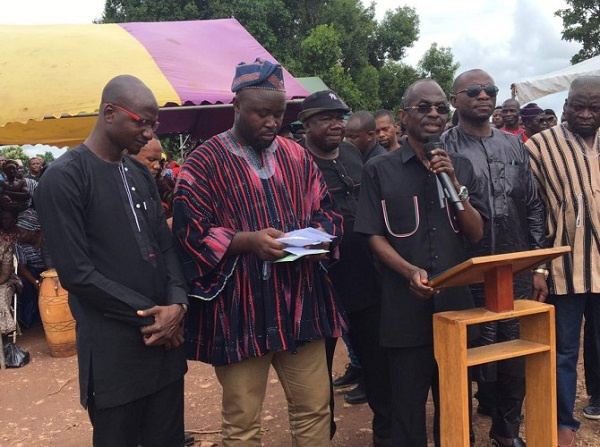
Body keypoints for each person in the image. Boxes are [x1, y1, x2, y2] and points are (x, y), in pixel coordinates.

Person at [172, 58, 345, 447]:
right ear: (236, 108)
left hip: (300, 302)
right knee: (242, 420)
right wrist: (247, 241)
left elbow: (327, 210)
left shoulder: (297, 156)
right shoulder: (204, 162)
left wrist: (318, 238)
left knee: (314, 408)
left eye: (279, 114)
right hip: (240, 309)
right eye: (262, 113)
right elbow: (189, 231)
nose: (272, 122)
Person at [35, 74, 189, 447]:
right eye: (143, 122)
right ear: (108, 113)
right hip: (114, 354)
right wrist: (155, 315)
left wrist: (178, 303)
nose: (151, 134)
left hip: (165, 345)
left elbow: (164, 244)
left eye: (155, 124)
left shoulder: (138, 172)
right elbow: (78, 274)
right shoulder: (63, 179)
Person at [355, 79, 486, 447]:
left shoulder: (459, 166)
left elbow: (475, 234)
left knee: (456, 403)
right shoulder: (379, 170)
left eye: (441, 108)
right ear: (403, 116)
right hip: (404, 308)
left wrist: (453, 181)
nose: (433, 114)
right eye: (424, 107)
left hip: (456, 310)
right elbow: (372, 235)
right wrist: (408, 271)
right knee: (407, 411)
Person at [443, 69, 547, 447]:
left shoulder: (514, 145)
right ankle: (463, 430)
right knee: (469, 353)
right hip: (465, 270)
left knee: (515, 355)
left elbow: (533, 204)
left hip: (514, 265)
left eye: (490, 90)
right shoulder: (443, 146)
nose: (483, 95)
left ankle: (506, 430)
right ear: (456, 99)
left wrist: (537, 265)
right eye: (473, 90)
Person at [299, 90, 391, 445]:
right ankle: (325, 436)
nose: (335, 124)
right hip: (319, 285)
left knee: (379, 365)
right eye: (326, 118)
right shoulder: (297, 161)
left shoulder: (354, 153)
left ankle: (387, 435)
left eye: (339, 117)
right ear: (306, 124)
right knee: (317, 374)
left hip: (366, 281)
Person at [525, 75, 600, 447]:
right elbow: (533, 211)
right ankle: (561, 419)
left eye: (595, 107)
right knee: (563, 349)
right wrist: (538, 266)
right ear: (566, 104)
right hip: (564, 269)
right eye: (578, 106)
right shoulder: (539, 146)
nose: (585, 114)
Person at [15, 209, 49, 328]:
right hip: (32, 273)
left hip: (49, 270)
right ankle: (32, 321)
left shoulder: (47, 239)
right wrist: (35, 282)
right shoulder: (19, 244)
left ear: (33, 231)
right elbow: (22, 268)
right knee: (22, 283)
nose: (19, 235)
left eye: (22, 232)